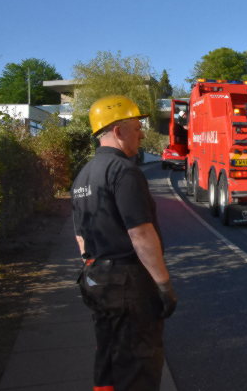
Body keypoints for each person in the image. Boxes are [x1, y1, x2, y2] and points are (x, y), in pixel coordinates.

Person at [73, 95, 177, 391]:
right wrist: (163, 284)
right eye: (136, 127)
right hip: (128, 282)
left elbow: (80, 236)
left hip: (95, 277)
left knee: (107, 358)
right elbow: (140, 233)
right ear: (117, 131)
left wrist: (95, 271)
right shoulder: (124, 171)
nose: (142, 133)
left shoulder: (83, 176)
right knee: (138, 365)